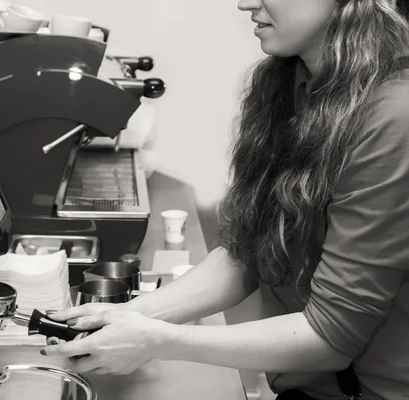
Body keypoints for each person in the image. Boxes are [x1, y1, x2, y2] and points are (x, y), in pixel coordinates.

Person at [41, 1, 409, 399]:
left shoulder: (393, 116)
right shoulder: (291, 83)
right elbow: (251, 250)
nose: (245, 2)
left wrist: (160, 341)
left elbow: (330, 336)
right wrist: (132, 314)